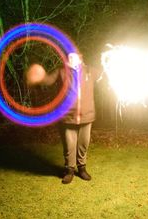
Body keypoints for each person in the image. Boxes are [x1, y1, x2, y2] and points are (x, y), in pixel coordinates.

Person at [26, 53, 100, 184]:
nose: (71, 58)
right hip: (68, 116)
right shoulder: (61, 72)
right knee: (69, 146)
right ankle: (69, 170)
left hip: (86, 115)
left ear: (80, 58)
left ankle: (82, 168)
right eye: (69, 57)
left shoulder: (90, 71)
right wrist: (39, 76)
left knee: (83, 143)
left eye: (74, 56)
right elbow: (48, 80)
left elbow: (105, 74)